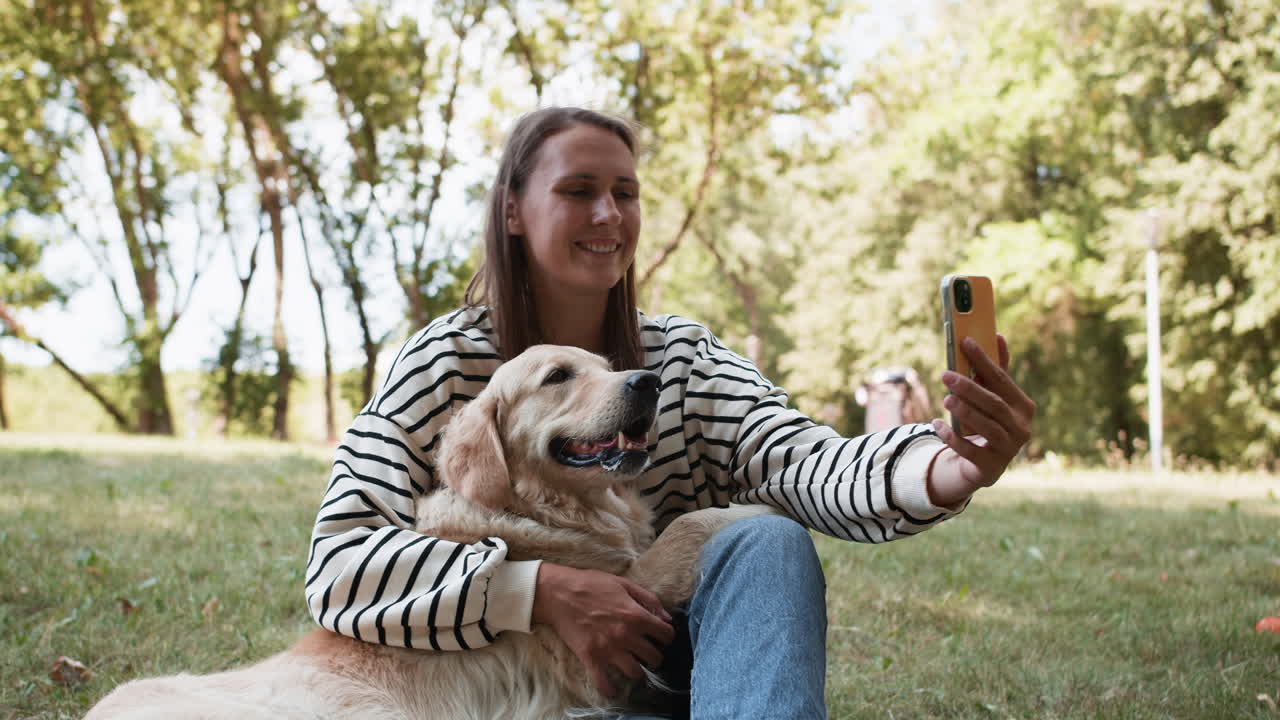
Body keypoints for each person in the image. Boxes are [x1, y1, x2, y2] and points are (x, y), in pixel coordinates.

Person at [303, 107, 1035, 719]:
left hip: (680, 670)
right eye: (579, 190)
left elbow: (802, 460)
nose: (608, 214)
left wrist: (947, 463)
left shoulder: (677, 360)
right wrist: (542, 592)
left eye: (626, 192)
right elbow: (338, 568)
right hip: (509, 689)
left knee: (766, 543)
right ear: (514, 211)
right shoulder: (443, 365)